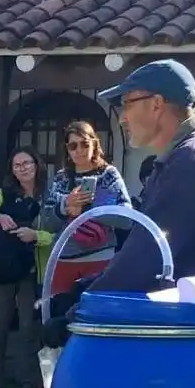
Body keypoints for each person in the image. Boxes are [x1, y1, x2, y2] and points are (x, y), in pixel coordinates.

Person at [57, 59, 195, 360]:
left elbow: (150, 255)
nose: (122, 118)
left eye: (126, 104)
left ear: (157, 104)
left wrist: (80, 310)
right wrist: (89, 287)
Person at [0, 146, 53, 388]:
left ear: (37, 164)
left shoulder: (51, 196)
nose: (22, 168)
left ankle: (31, 387)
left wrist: (37, 236)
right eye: (17, 164)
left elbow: (61, 235)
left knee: (30, 333)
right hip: (3, 269)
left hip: (34, 272)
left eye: (27, 163)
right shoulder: (2, 194)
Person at [46, 121, 131, 295]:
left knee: (96, 316)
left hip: (100, 258)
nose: (79, 150)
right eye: (72, 146)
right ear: (67, 150)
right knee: (59, 314)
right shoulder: (61, 178)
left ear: (94, 144)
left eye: (85, 144)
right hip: (63, 259)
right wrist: (66, 207)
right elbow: (46, 223)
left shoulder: (109, 175)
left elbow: (127, 218)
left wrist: (88, 208)